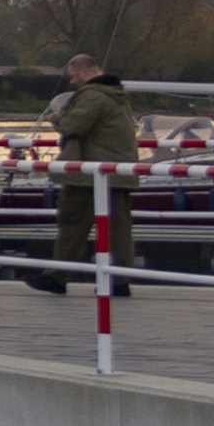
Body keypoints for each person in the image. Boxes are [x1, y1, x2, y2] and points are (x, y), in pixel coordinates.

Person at [50, 50, 138, 288]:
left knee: (72, 224)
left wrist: (57, 118)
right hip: (117, 172)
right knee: (118, 230)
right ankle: (120, 280)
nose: (71, 81)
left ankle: (57, 276)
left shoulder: (93, 95)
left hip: (88, 173)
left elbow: (74, 125)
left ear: (83, 71)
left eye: (72, 75)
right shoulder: (116, 95)